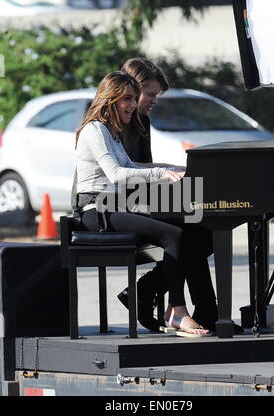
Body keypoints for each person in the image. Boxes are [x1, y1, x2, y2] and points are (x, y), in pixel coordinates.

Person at [75, 71, 210, 336]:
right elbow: (116, 174)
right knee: (173, 233)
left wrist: (174, 168)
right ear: (110, 99)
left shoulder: (110, 131)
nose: (134, 105)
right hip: (97, 211)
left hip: (115, 205)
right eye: (127, 98)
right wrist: (161, 174)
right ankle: (177, 311)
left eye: (135, 98)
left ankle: (180, 305)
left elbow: (131, 166)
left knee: (193, 226)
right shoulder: (94, 130)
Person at [117, 58, 218, 332]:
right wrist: (166, 176)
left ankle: (150, 289)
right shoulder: (117, 122)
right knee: (189, 228)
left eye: (156, 95)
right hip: (114, 203)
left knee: (204, 228)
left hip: (136, 196)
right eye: (150, 94)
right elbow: (125, 171)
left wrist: (172, 184)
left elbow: (144, 172)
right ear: (132, 89)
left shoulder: (143, 122)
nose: (154, 100)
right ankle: (202, 309)